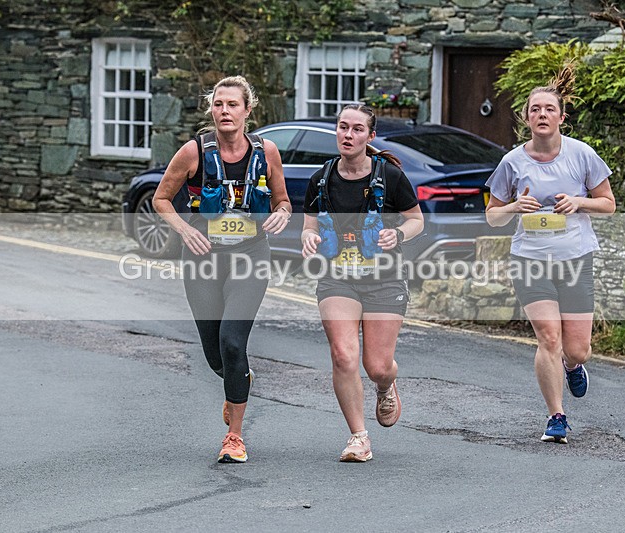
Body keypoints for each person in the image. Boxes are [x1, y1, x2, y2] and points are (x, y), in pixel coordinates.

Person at [152, 76, 291, 463]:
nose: (224, 111)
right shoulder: (194, 152)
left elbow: (282, 201)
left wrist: (281, 215)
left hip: (250, 256)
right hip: (203, 258)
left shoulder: (267, 151)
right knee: (216, 356)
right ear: (211, 109)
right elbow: (161, 199)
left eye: (232, 104)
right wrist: (184, 231)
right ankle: (237, 380)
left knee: (233, 342)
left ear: (248, 110)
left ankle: (234, 436)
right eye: (218, 104)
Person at [485, 65, 615, 444]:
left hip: (575, 259)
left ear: (561, 117)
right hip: (530, 260)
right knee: (548, 338)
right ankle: (556, 416)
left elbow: (608, 204)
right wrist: (514, 208)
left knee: (577, 348)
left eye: (548, 109)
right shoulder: (512, 162)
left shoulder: (582, 155)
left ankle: (573, 366)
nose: (541, 114)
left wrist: (578, 202)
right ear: (526, 118)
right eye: (534, 109)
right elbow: (492, 217)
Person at [301, 104, 424, 462]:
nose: (347, 135)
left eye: (356, 129)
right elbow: (309, 225)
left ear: (370, 137)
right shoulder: (321, 178)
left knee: (377, 365)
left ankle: (386, 385)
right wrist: (308, 239)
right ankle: (359, 437)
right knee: (343, 355)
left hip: (384, 278)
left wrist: (397, 234)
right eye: (342, 127)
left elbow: (417, 221)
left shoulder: (390, 177)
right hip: (337, 277)